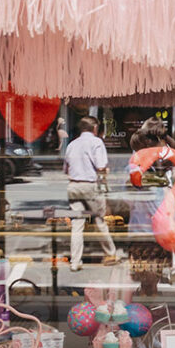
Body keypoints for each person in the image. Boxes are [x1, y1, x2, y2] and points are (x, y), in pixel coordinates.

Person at [63, 116, 120, 272]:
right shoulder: (96, 142)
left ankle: (75, 261)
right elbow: (101, 166)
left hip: (73, 185)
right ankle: (110, 254)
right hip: (90, 185)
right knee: (99, 220)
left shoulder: (72, 144)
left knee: (77, 224)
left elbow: (66, 169)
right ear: (94, 128)